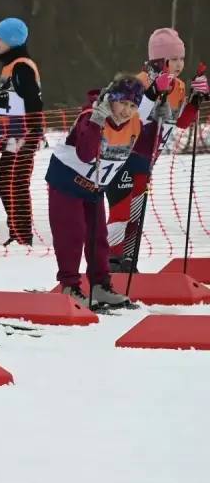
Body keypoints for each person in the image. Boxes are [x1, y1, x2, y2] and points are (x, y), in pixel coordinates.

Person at [105, 28, 206, 271]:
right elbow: (127, 117)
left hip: (146, 162)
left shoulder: (178, 87)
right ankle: (108, 264)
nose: (179, 64)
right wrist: (152, 92)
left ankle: (128, 263)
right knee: (120, 214)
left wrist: (195, 100)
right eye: (173, 59)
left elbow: (180, 122)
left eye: (182, 58)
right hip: (121, 157)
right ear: (159, 60)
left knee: (136, 215)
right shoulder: (138, 82)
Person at [46, 77, 146, 309]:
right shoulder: (91, 115)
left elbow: (138, 152)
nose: (126, 111)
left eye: (133, 106)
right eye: (123, 103)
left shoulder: (134, 123)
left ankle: (100, 285)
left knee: (98, 236)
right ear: (112, 100)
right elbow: (85, 154)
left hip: (94, 186)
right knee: (72, 233)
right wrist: (97, 120)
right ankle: (70, 286)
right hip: (67, 180)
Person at [0, 18, 44, 246]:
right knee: (7, 181)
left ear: (11, 40)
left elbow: (33, 101)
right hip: (14, 135)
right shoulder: (13, 65)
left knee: (14, 182)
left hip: (21, 136)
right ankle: (18, 232)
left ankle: (22, 236)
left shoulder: (21, 66)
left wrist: (28, 135)